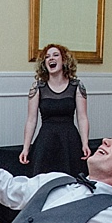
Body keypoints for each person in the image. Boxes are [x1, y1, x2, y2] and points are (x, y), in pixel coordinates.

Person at [19, 43, 91, 176]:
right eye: (47, 57)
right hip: (45, 141)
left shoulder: (76, 86)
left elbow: (82, 117)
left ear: (64, 60)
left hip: (70, 141)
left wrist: (85, 143)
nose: (51, 58)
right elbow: (31, 120)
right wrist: (26, 148)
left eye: (55, 55)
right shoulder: (37, 87)